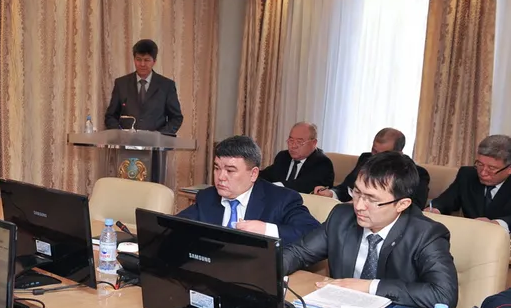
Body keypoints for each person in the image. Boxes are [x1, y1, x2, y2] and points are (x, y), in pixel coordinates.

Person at [285, 152, 458, 308]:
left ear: (402, 204)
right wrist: (270, 270)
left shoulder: (426, 234)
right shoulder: (341, 217)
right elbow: (297, 253)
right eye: (357, 193)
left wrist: (369, 286)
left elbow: (443, 296)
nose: (359, 206)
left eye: (372, 200)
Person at [177, 135, 320, 245]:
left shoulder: (282, 199)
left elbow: (314, 233)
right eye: (217, 168)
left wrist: (266, 230)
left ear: (253, 174)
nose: (220, 177)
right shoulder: (207, 197)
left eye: (230, 170)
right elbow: (176, 225)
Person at [313, 128, 430, 208]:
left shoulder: (418, 174)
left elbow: (415, 208)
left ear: (398, 153)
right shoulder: (366, 159)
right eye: (374, 150)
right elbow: (346, 188)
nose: (375, 157)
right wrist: (331, 193)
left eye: (382, 154)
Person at [428, 135, 511, 233]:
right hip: (470, 235)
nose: (483, 172)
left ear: (509, 169)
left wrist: (497, 223)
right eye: (480, 164)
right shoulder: (467, 175)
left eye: (491, 168)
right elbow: (446, 200)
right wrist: (435, 209)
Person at [104, 39, 183, 134]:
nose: (142, 64)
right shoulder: (121, 84)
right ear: (134, 59)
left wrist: (160, 135)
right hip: (126, 141)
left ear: (154, 61)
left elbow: (176, 118)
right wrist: (120, 134)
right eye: (138, 59)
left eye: (146, 60)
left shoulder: (167, 86)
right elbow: (110, 116)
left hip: (156, 142)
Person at [259, 122, 334, 194]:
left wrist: (275, 187)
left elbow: (304, 185)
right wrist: (253, 174)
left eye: (299, 142)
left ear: (314, 143)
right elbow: (267, 175)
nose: (293, 146)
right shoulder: (283, 156)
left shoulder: (322, 163)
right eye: (291, 141)